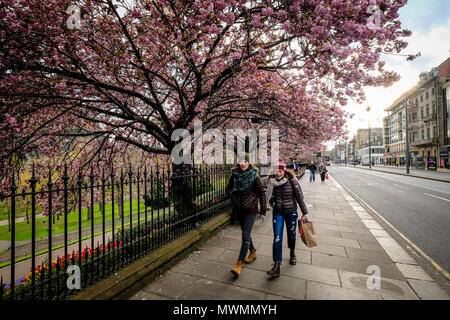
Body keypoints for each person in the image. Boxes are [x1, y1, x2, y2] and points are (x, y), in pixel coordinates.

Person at [265, 160, 308, 277]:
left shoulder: (292, 181)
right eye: (276, 171)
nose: (278, 173)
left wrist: (305, 212)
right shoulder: (272, 182)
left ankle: (292, 252)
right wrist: (273, 203)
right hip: (278, 213)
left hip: (291, 213)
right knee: (277, 238)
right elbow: (269, 196)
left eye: (280, 171)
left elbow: (300, 197)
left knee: (291, 236)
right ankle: (277, 265)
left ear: (284, 170)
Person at [226, 154, 266, 277]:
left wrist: (263, 211)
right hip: (239, 210)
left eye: (245, 161)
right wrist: (233, 198)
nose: (243, 163)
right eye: (241, 161)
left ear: (249, 163)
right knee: (246, 233)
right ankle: (253, 252)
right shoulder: (235, 175)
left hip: (251, 210)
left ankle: (239, 264)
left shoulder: (254, 176)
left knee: (245, 235)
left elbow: (262, 193)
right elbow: (228, 189)